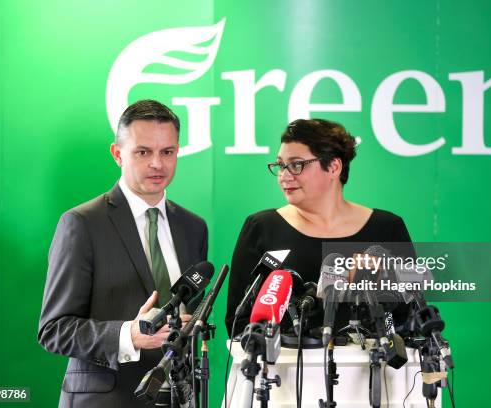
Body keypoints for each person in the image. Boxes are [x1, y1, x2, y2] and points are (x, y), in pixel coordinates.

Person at [38, 100, 208, 407]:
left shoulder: (193, 227)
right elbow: (54, 329)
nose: (157, 164)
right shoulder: (82, 224)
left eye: (167, 152)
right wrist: (130, 335)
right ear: (118, 154)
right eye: (143, 152)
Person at [225, 118, 413, 337]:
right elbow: (238, 322)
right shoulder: (261, 227)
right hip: (283, 370)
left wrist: (382, 282)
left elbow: (411, 318)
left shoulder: (386, 228)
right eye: (280, 165)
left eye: (296, 164)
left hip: (373, 366)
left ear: (333, 167)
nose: (284, 176)